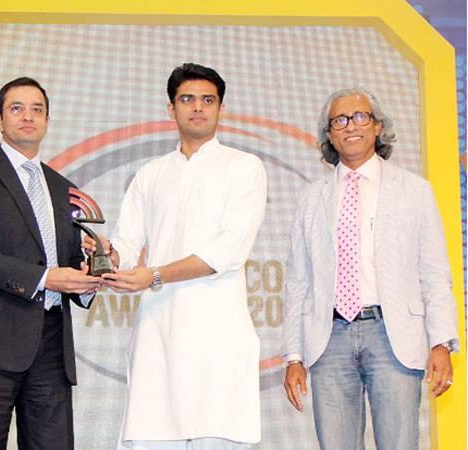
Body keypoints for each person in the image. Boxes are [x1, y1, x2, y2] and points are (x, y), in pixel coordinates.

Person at [102, 63, 267, 450]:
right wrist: (107, 256)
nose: (197, 107)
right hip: (158, 335)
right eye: (187, 99)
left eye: (208, 100)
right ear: (171, 108)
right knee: (151, 436)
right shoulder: (150, 174)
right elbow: (127, 242)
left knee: (219, 436)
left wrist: (154, 275)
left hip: (219, 336)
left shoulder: (244, 167)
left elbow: (230, 249)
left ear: (221, 108)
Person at [282, 87, 458, 450]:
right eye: (340, 120)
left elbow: (434, 273)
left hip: (392, 336)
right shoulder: (311, 198)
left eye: (361, 117)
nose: (351, 126)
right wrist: (294, 356)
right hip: (329, 338)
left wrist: (441, 342)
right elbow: (298, 281)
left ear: (378, 127)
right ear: (329, 134)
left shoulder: (415, 191)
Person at [0, 76, 102, 450]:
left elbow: (66, 261)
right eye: (17, 108)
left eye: (37, 109)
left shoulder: (62, 187)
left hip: (51, 346)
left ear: (47, 120)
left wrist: (89, 271)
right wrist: (45, 278)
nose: (28, 117)